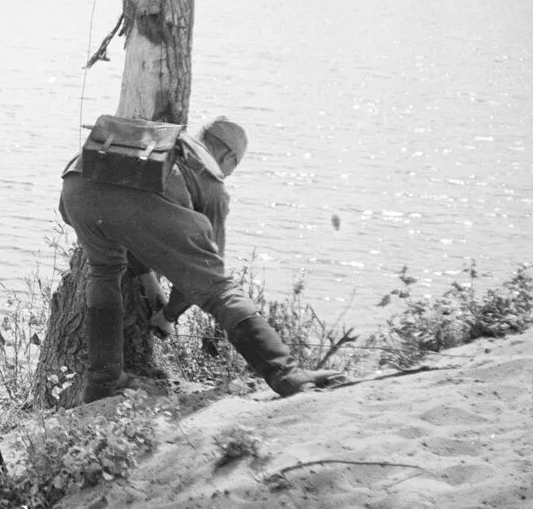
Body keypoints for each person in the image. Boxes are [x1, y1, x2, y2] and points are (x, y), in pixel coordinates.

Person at [59, 117, 341, 405]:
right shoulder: (212, 183)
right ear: (229, 157)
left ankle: (102, 383)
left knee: (105, 271)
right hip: (125, 195)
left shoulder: (163, 143)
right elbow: (206, 276)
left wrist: (145, 275)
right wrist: (169, 315)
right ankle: (286, 374)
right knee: (221, 290)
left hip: (76, 184)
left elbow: (109, 214)